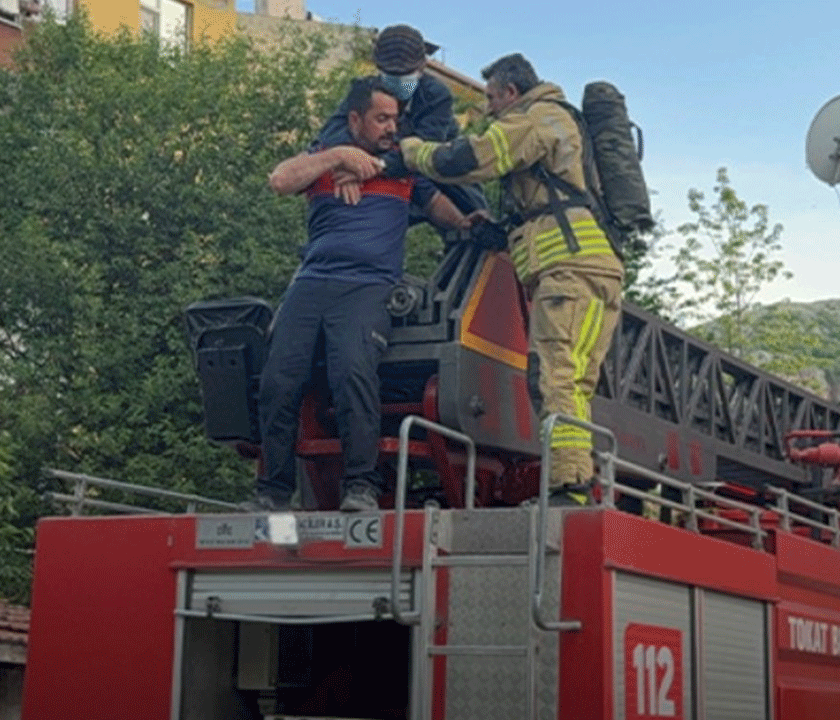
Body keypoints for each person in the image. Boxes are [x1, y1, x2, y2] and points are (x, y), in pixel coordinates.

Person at [393, 53, 624, 507]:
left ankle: (570, 487)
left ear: (512, 93)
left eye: (492, 99)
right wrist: (496, 231)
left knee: (557, 376)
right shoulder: (554, 124)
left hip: (570, 270)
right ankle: (572, 481)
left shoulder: (535, 119)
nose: (489, 111)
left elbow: (466, 159)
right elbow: (550, 204)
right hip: (584, 267)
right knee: (566, 379)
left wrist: (411, 151)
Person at [253, 77, 472, 513]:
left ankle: (361, 487)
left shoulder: (404, 168)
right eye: (381, 118)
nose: (392, 127)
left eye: (395, 118)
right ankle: (273, 494)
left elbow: (442, 209)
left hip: (369, 286)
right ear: (354, 120)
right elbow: (279, 180)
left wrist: (470, 223)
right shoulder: (324, 162)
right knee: (278, 380)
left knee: (353, 372)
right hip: (311, 283)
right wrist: (337, 156)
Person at [313, 24, 486, 222]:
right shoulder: (364, 91)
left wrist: (373, 166)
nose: (398, 80)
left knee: (473, 216)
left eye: (405, 73)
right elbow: (331, 132)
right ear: (378, 67)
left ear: (422, 66)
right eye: (391, 73)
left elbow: (423, 152)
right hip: (384, 171)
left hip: (437, 173)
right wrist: (346, 160)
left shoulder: (437, 96)